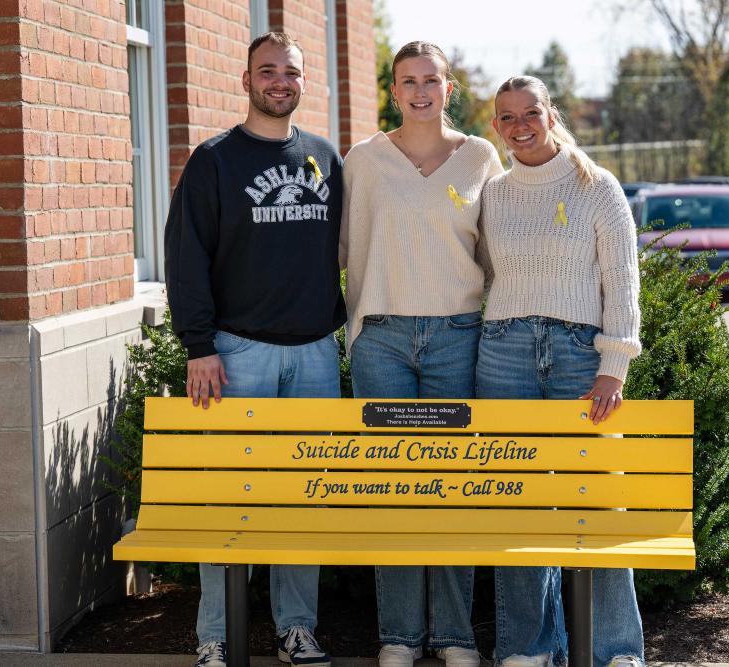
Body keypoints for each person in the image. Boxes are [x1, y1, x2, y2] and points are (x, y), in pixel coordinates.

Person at [164, 31, 344, 667]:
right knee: (228, 497)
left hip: (318, 353)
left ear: (303, 81)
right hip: (237, 354)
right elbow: (186, 259)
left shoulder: (325, 157)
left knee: (306, 497)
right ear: (245, 81)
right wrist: (198, 345)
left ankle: (297, 628)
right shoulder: (214, 161)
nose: (279, 82)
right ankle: (216, 634)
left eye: (290, 72)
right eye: (266, 72)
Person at [339, 41, 504, 667]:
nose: (419, 92)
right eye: (408, 81)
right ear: (393, 88)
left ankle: (456, 636)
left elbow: (497, 248)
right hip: (380, 335)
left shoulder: (481, 158)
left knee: (452, 487)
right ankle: (401, 636)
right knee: (393, 486)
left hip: (457, 335)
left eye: (431, 80)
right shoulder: (364, 160)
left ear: (449, 88)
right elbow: (340, 247)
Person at [476, 75, 643, 667]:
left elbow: (622, 280)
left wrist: (613, 365)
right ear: (495, 125)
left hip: (578, 354)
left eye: (531, 113)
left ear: (551, 115)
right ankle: (527, 648)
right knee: (517, 498)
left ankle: (616, 650)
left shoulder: (597, 186)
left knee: (599, 499)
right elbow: (487, 277)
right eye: (507, 117)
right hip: (503, 352)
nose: (520, 126)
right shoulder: (493, 193)